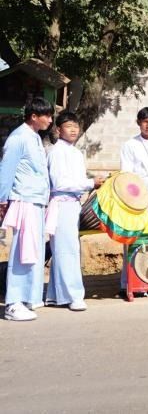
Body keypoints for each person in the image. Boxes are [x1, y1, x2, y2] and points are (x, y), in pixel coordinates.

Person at [0, 97, 53, 321]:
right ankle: (13, 303)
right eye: (47, 116)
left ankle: (27, 297)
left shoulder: (35, 138)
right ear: (34, 116)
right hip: (24, 201)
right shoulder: (19, 138)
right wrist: (2, 200)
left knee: (33, 251)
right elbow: (6, 170)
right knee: (22, 251)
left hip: (36, 201)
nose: (50, 120)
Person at [45, 111, 104, 311]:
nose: (73, 130)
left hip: (73, 204)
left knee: (66, 250)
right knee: (66, 250)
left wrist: (90, 184)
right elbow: (59, 183)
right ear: (58, 129)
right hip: (62, 204)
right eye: (68, 126)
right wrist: (89, 183)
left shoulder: (75, 153)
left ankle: (56, 295)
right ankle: (73, 296)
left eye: (76, 126)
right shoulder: (56, 152)